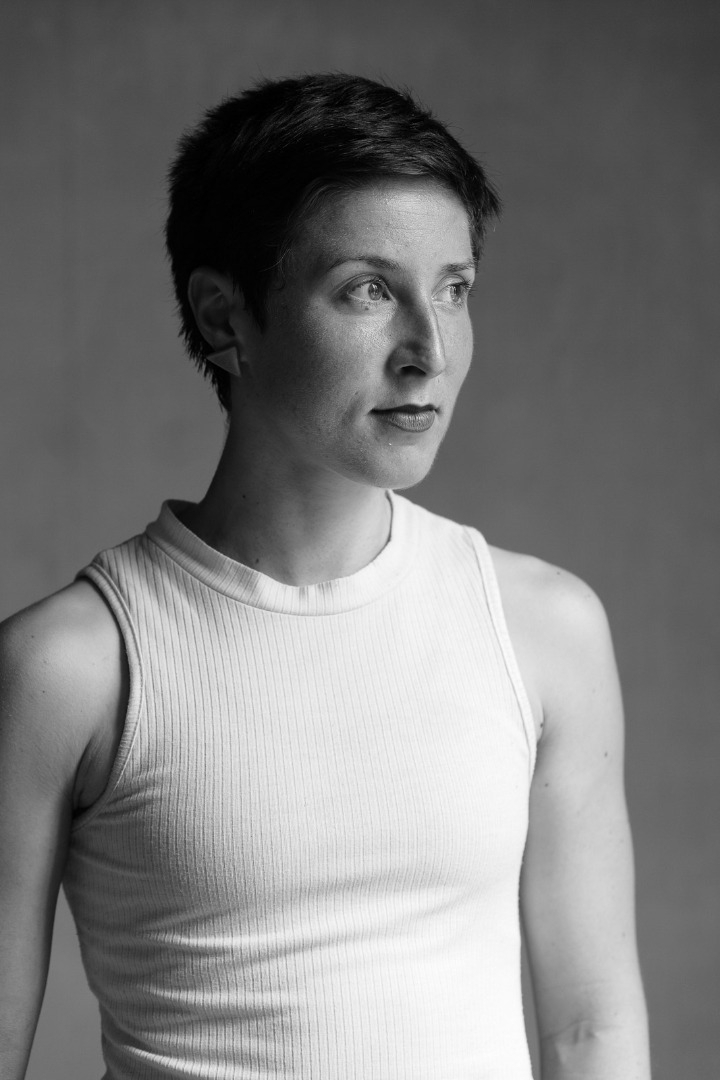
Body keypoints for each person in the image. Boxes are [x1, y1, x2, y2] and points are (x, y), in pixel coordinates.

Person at [0, 73, 650, 1080]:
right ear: (225, 316)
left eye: (455, 289)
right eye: (368, 290)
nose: (429, 351)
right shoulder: (70, 669)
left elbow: (590, 1029)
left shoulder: (542, 630)